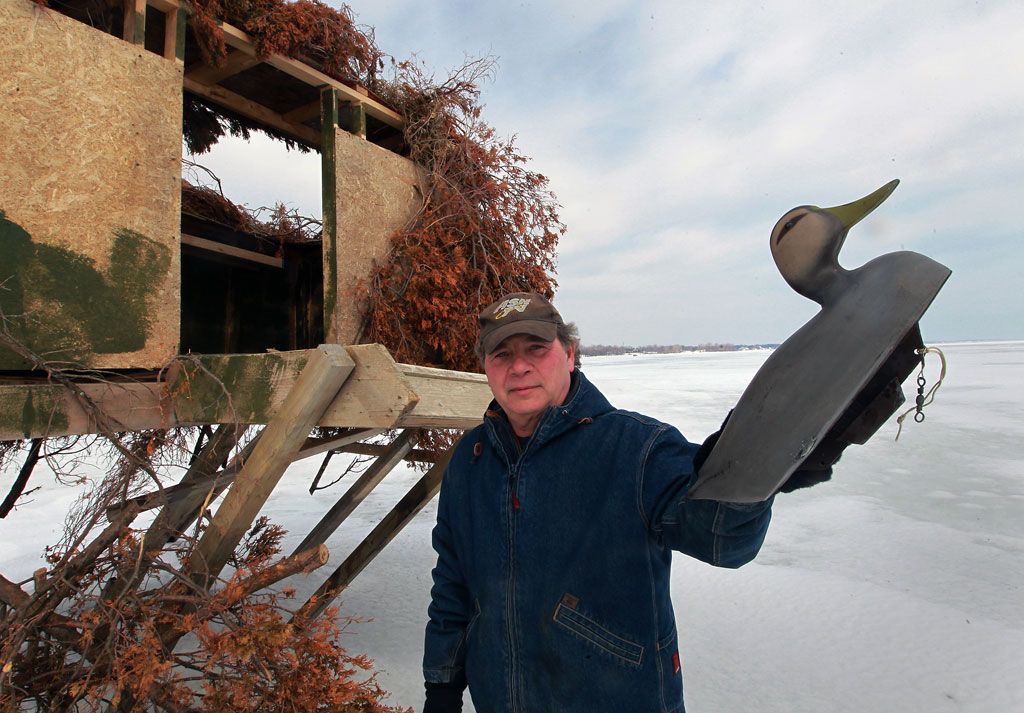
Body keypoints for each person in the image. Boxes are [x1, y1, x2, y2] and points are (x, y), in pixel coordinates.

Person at [422, 292, 828, 713]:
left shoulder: (636, 449)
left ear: (570, 353)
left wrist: (752, 472)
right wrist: (442, 686)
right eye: (501, 354)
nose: (519, 366)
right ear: (485, 367)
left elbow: (724, 538)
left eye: (536, 349)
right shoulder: (471, 460)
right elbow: (453, 584)